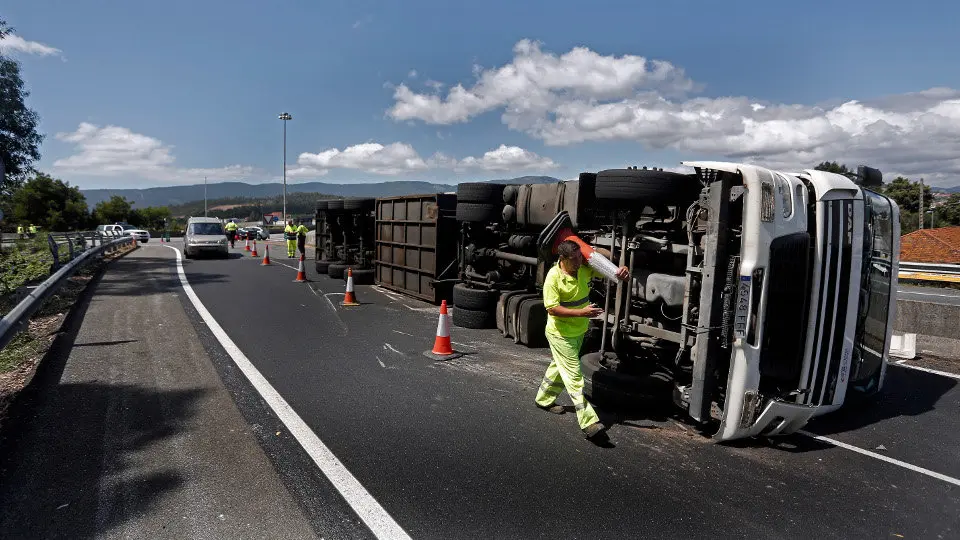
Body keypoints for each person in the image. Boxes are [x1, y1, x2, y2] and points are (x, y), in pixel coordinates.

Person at [535, 239, 630, 440]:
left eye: (581, 257)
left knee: (559, 366)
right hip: (560, 334)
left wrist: (621, 270)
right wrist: (582, 313)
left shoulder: (584, 269)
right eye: (575, 259)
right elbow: (552, 308)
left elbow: (611, 273)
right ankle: (589, 423)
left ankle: (543, 399)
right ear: (562, 259)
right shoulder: (553, 277)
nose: (580, 261)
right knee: (574, 376)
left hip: (577, 331)